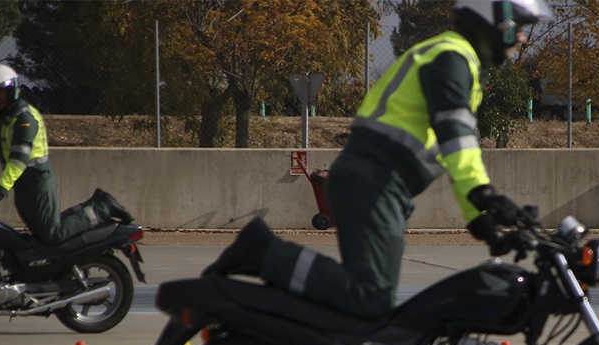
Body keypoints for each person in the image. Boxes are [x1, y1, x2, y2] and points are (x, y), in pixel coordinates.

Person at [205, 0, 552, 318]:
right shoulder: (451, 58)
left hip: (380, 186)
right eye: (519, 24)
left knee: (370, 310)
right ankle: (264, 253)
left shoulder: (457, 59)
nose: (522, 36)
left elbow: (456, 150)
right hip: (374, 183)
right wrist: (483, 195)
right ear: (494, 18)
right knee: (371, 298)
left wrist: (481, 219)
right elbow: (456, 138)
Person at [0, 63, 133, 245]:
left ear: (11, 90)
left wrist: (0, 190)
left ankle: (102, 208)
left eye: (0, 92)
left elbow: (18, 160)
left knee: (53, 235)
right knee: (38, 239)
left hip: (38, 183)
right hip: (20, 185)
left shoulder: (25, 118)